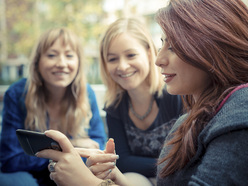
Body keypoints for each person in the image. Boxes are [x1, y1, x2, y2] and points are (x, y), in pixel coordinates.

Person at [36, 0, 248, 185]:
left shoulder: (235, 115)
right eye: (112, 59)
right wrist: (114, 175)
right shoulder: (197, 110)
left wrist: (88, 183)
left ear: (213, 44)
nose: (159, 60)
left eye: (173, 47)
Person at [0, 27, 106, 185]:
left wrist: (43, 153)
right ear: (37, 62)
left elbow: (98, 146)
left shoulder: (86, 93)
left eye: (69, 55)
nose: (62, 63)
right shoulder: (17, 94)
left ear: (78, 62)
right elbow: (9, 160)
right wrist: (71, 146)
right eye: (51, 55)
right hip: (30, 177)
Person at [99, 17, 182, 185]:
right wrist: (167, 164)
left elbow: (184, 158)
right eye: (112, 59)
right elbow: (122, 161)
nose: (122, 66)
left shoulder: (173, 94)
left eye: (131, 55)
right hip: (137, 179)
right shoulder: (114, 106)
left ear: (150, 53)